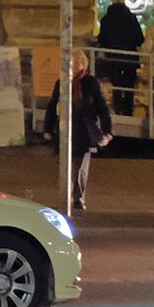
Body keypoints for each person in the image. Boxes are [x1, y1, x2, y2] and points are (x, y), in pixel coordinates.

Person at [45, 58, 117, 212]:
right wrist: (48, 129)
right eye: (71, 62)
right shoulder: (62, 82)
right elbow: (52, 106)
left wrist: (108, 130)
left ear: (84, 65)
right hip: (65, 130)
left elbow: (102, 107)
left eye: (77, 62)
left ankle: (78, 198)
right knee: (64, 167)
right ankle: (66, 196)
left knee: (80, 169)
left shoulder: (91, 83)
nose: (72, 65)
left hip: (84, 132)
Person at [96, 0, 144, 117]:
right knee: (129, 85)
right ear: (124, 3)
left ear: (112, 2)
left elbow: (102, 39)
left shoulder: (106, 19)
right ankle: (128, 110)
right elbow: (139, 39)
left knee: (116, 84)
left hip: (113, 57)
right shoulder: (131, 18)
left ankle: (117, 108)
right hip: (129, 57)